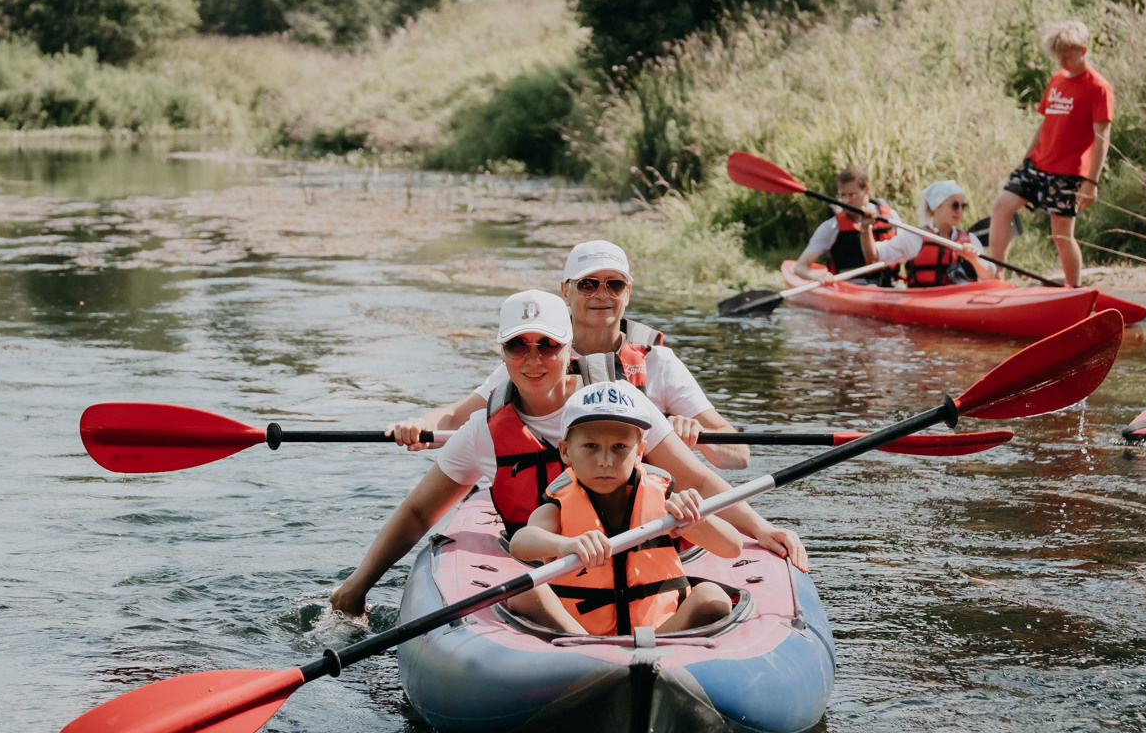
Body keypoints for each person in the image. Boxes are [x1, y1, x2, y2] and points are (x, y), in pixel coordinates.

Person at [330, 292, 808, 618]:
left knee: (707, 599)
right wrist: (359, 584)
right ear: (503, 352)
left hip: (642, 560)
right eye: (518, 346)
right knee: (528, 594)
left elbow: (698, 481)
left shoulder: (619, 408)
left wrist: (762, 530)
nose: (533, 359)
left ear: (569, 349)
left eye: (548, 346)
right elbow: (418, 512)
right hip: (548, 566)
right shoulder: (484, 431)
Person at [389, 240, 750, 470]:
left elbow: (740, 456)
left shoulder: (658, 362)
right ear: (566, 290)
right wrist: (421, 423)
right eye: (588, 284)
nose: (602, 294)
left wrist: (698, 433)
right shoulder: (539, 358)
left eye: (614, 284)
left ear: (628, 293)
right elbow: (456, 416)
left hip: (646, 514)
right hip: (555, 511)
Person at [505, 381, 742, 637]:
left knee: (712, 597)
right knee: (525, 591)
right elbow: (521, 542)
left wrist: (694, 519)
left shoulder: (664, 497)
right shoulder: (560, 503)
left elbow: (732, 547)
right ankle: (586, 647)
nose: (605, 461)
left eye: (620, 447)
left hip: (661, 631)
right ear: (565, 451)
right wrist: (565, 544)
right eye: (590, 446)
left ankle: (647, 653)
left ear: (639, 452)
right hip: (580, 632)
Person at [988, 21, 1112, 288]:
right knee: (1001, 207)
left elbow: (1102, 138)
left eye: (1067, 55)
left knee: (1061, 235)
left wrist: (1091, 182)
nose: (1062, 61)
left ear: (1084, 50)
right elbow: (1045, 123)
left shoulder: (1098, 87)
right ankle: (996, 280)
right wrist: (1026, 156)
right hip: (1038, 163)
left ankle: (1073, 289)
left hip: (1068, 172)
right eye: (1059, 56)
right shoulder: (1057, 80)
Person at [797, 164, 902, 285]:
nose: (846, 201)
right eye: (842, 195)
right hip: (852, 287)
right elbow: (800, 267)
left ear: (867, 189)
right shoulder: (831, 227)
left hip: (890, 285)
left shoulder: (890, 217)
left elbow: (909, 253)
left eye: (852, 195)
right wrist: (816, 276)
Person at [891, 181, 998, 288]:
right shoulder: (914, 237)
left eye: (963, 206)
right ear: (937, 207)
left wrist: (974, 260)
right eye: (955, 205)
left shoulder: (971, 239)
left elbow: (991, 277)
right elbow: (877, 254)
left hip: (964, 300)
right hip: (926, 299)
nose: (960, 211)